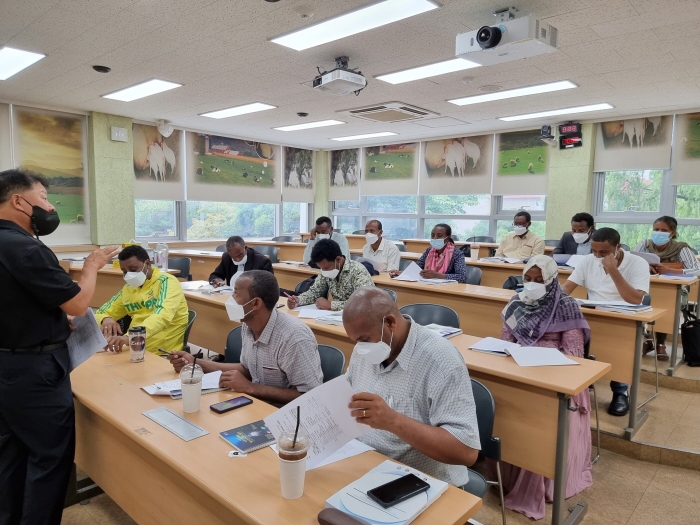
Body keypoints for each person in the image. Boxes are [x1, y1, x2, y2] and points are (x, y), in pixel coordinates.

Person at [0, 169, 119, 525]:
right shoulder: (25, 247)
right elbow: (79, 305)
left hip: (6, 366)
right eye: (45, 198)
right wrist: (92, 266)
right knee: (49, 459)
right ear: (19, 201)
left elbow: (16, 302)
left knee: (11, 455)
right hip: (34, 374)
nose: (51, 207)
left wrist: (46, 321)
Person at [343, 288, 480, 486]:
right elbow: (346, 399)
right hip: (368, 463)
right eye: (355, 341)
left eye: (364, 339)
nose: (360, 348)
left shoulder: (441, 361)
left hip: (421, 479)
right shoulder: (364, 350)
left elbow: (466, 451)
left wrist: (392, 420)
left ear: (390, 323)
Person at [494, 255, 592, 520]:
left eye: (539, 280)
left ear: (551, 280)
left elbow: (574, 354)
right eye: (528, 279)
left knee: (539, 421)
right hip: (519, 369)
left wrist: (538, 355)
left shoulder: (567, 306)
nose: (533, 284)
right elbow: (507, 341)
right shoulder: (516, 302)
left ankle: (543, 478)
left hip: (556, 376)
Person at [169, 271, 323, 405]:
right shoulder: (248, 325)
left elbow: (310, 396)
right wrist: (195, 363)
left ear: (255, 303)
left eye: (235, 293)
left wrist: (250, 387)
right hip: (255, 403)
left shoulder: (294, 338)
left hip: (286, 416)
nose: (230, 298)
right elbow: (249, 370)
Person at [562, 227, 650, 416]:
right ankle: (582, 383)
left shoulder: (638, 263)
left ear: (618, 247)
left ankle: (620, 391)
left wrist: (612, 270)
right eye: (594, 251)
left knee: (619, 349)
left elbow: (635, 299)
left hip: (624, 317)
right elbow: (567, 288)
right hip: (593, 315)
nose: (597, 255)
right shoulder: (588, 261)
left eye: (604, 252)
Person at [96, 245, 189, 354]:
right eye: (124, 271)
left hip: (161, 352)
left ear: (148, 264)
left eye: (133, 269)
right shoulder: (129, 288)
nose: (128, 275)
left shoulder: (167, 282)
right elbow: (101, 312)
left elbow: (162, 316)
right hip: (134, 347)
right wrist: (105, 318)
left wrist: (130, 336)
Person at [633, 216, 700, 360]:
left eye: (664, 230)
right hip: (646, 286)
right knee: (645, 302)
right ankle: (648, 339)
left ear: (673, 233)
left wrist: (670, 270)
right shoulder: (644, 244)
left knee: (664, 304)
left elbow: (697, 270)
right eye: (656, 229)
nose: (659, 233)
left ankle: (661, 343)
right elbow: (631, 262)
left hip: (674, 290)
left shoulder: (681, 248)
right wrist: (645, 266)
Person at [288, 239, 374, 311]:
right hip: (336, 317)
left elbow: (364, 303)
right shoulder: (326, 270)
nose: (324, 271)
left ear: (338, 260)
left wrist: (331, 305)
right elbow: (315, 292)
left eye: (326, 267)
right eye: (321, 268)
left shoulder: (358, 271)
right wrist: (298, 300)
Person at [389, 223, 468, 283]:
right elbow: (417, 268)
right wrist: (402, 273)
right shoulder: (429, 251)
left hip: (447, 290)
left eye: (439, 236)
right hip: (427, 285)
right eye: (432, 235)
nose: (435, 238)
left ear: (448, 238)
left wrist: (437, 275)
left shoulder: (456, 253)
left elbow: (462, 277)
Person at [209, 235, 273, 287]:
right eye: (233, 257)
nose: (237, 259)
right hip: (231, 296)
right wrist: (217, 280)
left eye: (240, 255)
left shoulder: (262, 261)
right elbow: (215, 275)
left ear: (245, 248)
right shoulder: (227, 258)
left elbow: (268, 285)